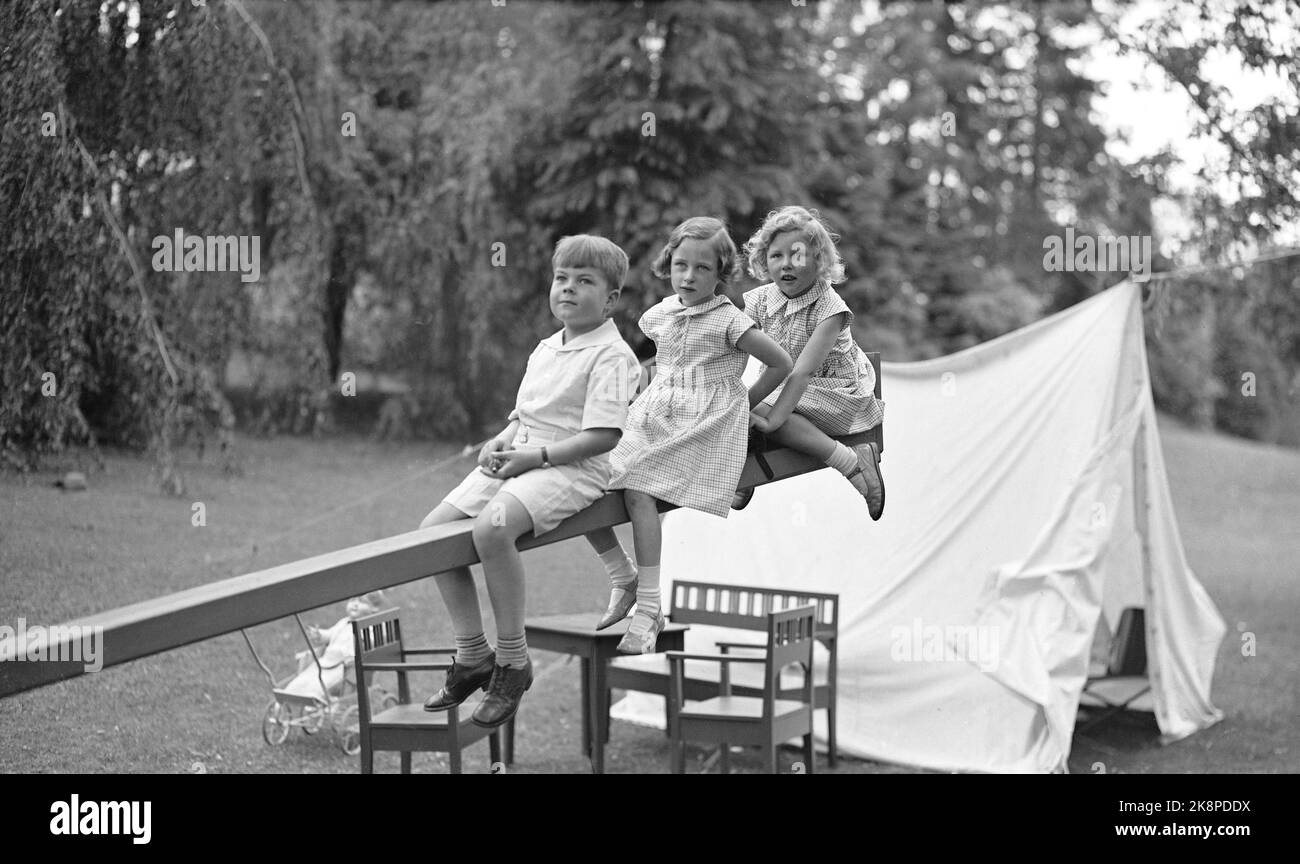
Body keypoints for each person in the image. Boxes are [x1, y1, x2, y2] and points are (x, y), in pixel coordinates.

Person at [419, 235, 641, 728]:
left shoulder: (612, 356)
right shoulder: (546, 347)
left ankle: (513, 662)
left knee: (493, 529)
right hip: (525, 453)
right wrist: (499, 442)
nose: (568, 288)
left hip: (574, 465)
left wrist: (533, 457)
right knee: (431, 534)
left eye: (585, 281)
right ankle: (473, 654)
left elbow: (603, 437)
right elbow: (524, 416)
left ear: (609, 299)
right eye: (562, 278)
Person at [584, 217, 793, 653]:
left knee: (638, 491)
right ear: (669, 264)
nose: (689, 276)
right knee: (583, 477)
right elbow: (666, 365)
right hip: (657, 413)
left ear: (721, 273)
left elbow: (781, 363)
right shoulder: (662, 313)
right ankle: (622, 576)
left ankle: (649, 607)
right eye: (681, 265)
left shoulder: (728, 321)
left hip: (703, 423)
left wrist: (744, 404)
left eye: (702, 268)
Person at [735, 205, 885, 519]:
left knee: (762, 413)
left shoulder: (829, 307)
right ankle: (740, 463)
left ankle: (851, 461)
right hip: (784, 386)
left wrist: (772, 419)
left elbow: (801, 373)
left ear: (819, 259)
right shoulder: (761, 299)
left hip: (835, 391)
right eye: (776, 256)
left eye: (797, 254)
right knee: (732, 400)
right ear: (764, 261)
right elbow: (737, 349)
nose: (786, 264)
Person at [279, 592, 388, 703]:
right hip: (325, 662)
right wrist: (320, 635)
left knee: (321, 683)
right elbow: (330, 634)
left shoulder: (373, 626)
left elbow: (377, 642)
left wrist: (365, 642)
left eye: (361, 601)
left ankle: (313, 699)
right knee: (305, 679)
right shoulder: (343, 622)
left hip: (344, 667)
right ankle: (290, 695)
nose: (355, 604)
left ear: (375, 608)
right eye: (352, 600)